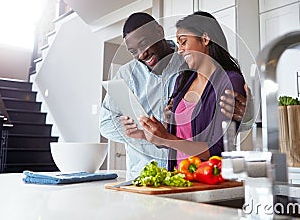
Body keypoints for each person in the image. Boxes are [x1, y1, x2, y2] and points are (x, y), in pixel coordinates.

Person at [100, 12, 252, 179]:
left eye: (184, 42)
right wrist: (146, 133)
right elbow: (181, 133)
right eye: (133, 51)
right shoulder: (184, 79)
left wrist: (247, 117)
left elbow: (221, 142)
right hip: (157, 176)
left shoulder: (207, 73)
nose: (141, 54)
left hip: (202, 177)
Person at [137, 11, 247, 170]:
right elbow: (180, 139)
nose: (180, 50)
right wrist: (159, 133)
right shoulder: (182, 81)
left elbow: (218, 150)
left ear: (205, 39)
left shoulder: (229, 81)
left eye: (183, 42)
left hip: (207, 180)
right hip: (178, 177)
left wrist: (166, 138)